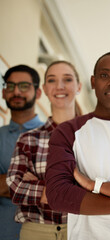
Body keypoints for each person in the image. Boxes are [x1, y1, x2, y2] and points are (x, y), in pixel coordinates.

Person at [45, 51, 110, 240]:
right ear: (93, 82)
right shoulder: (68, 131)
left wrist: (92, 186)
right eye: (104, 75)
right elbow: (58, 194)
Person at [6, 61, 82, 240]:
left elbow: (100, 188)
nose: (59, 86)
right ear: (45, 89)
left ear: (78, 87)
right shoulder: (28, 139)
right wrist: (76, 186)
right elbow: (15, 187)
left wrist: (40, 187)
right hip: (36, 232)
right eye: (52, 80)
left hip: (81, 230)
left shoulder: (93, 137)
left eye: (67, 79)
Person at [0, 65, 43, 240]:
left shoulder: (56, 135)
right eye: (10, 86)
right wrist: (35, 185)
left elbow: (59, 190)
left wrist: (6, 180)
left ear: (38, 93)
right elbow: (44, 189)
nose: (16, 91)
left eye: (24, 86)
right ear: (3, 93)